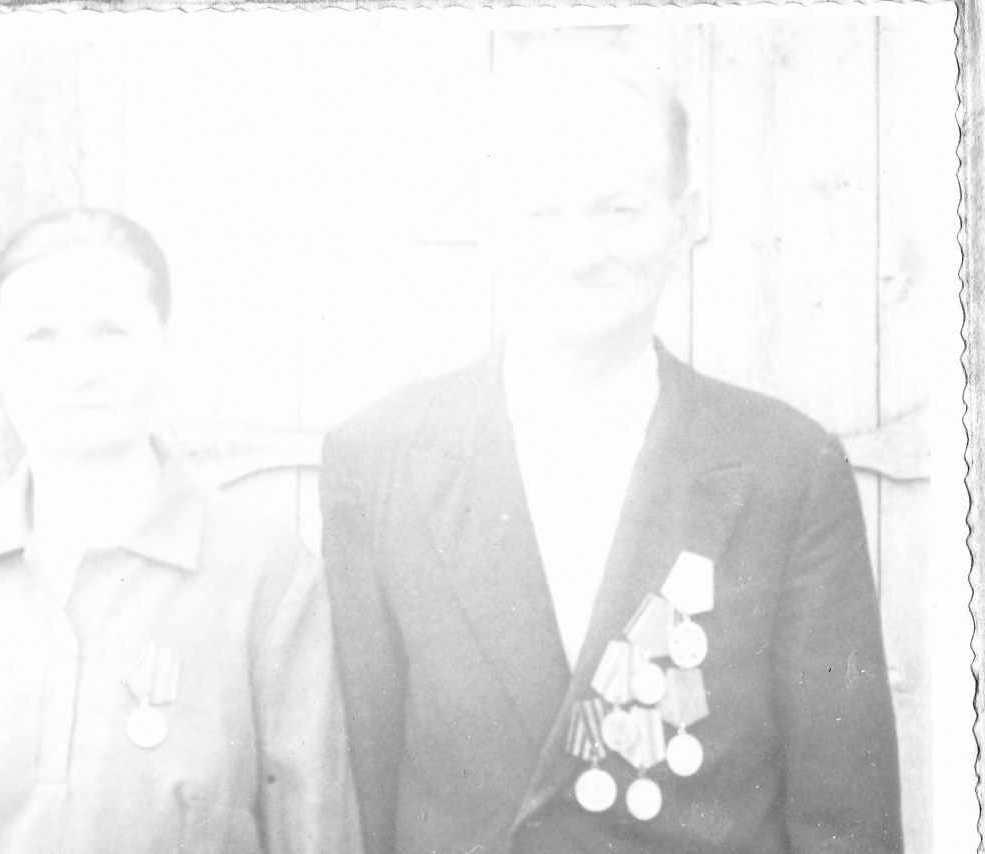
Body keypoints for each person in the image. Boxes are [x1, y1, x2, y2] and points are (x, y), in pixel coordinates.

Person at [319, 43, 903, 854]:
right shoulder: (376, 460)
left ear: (683, 222)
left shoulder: (788, 468)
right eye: (540, 213)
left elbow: (847, 816)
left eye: (620, 210)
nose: (581, 250)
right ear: (487, 225)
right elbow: (360, 791)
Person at [0, 209, 361, 854]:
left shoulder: (263, 574)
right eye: (40, 336)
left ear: (166, 345)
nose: (78, 369)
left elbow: (315, 833)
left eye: (112, 332)